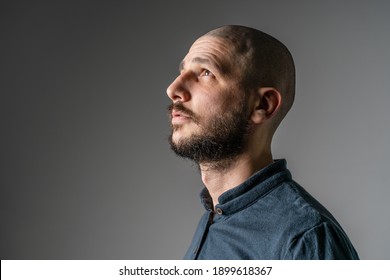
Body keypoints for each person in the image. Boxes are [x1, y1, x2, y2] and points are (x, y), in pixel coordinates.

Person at [166, 25, 359, 260]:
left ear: (263, 105)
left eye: (206, 72)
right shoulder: (215, 217)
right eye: (183, 71)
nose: (173, 89)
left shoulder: (304, 239)